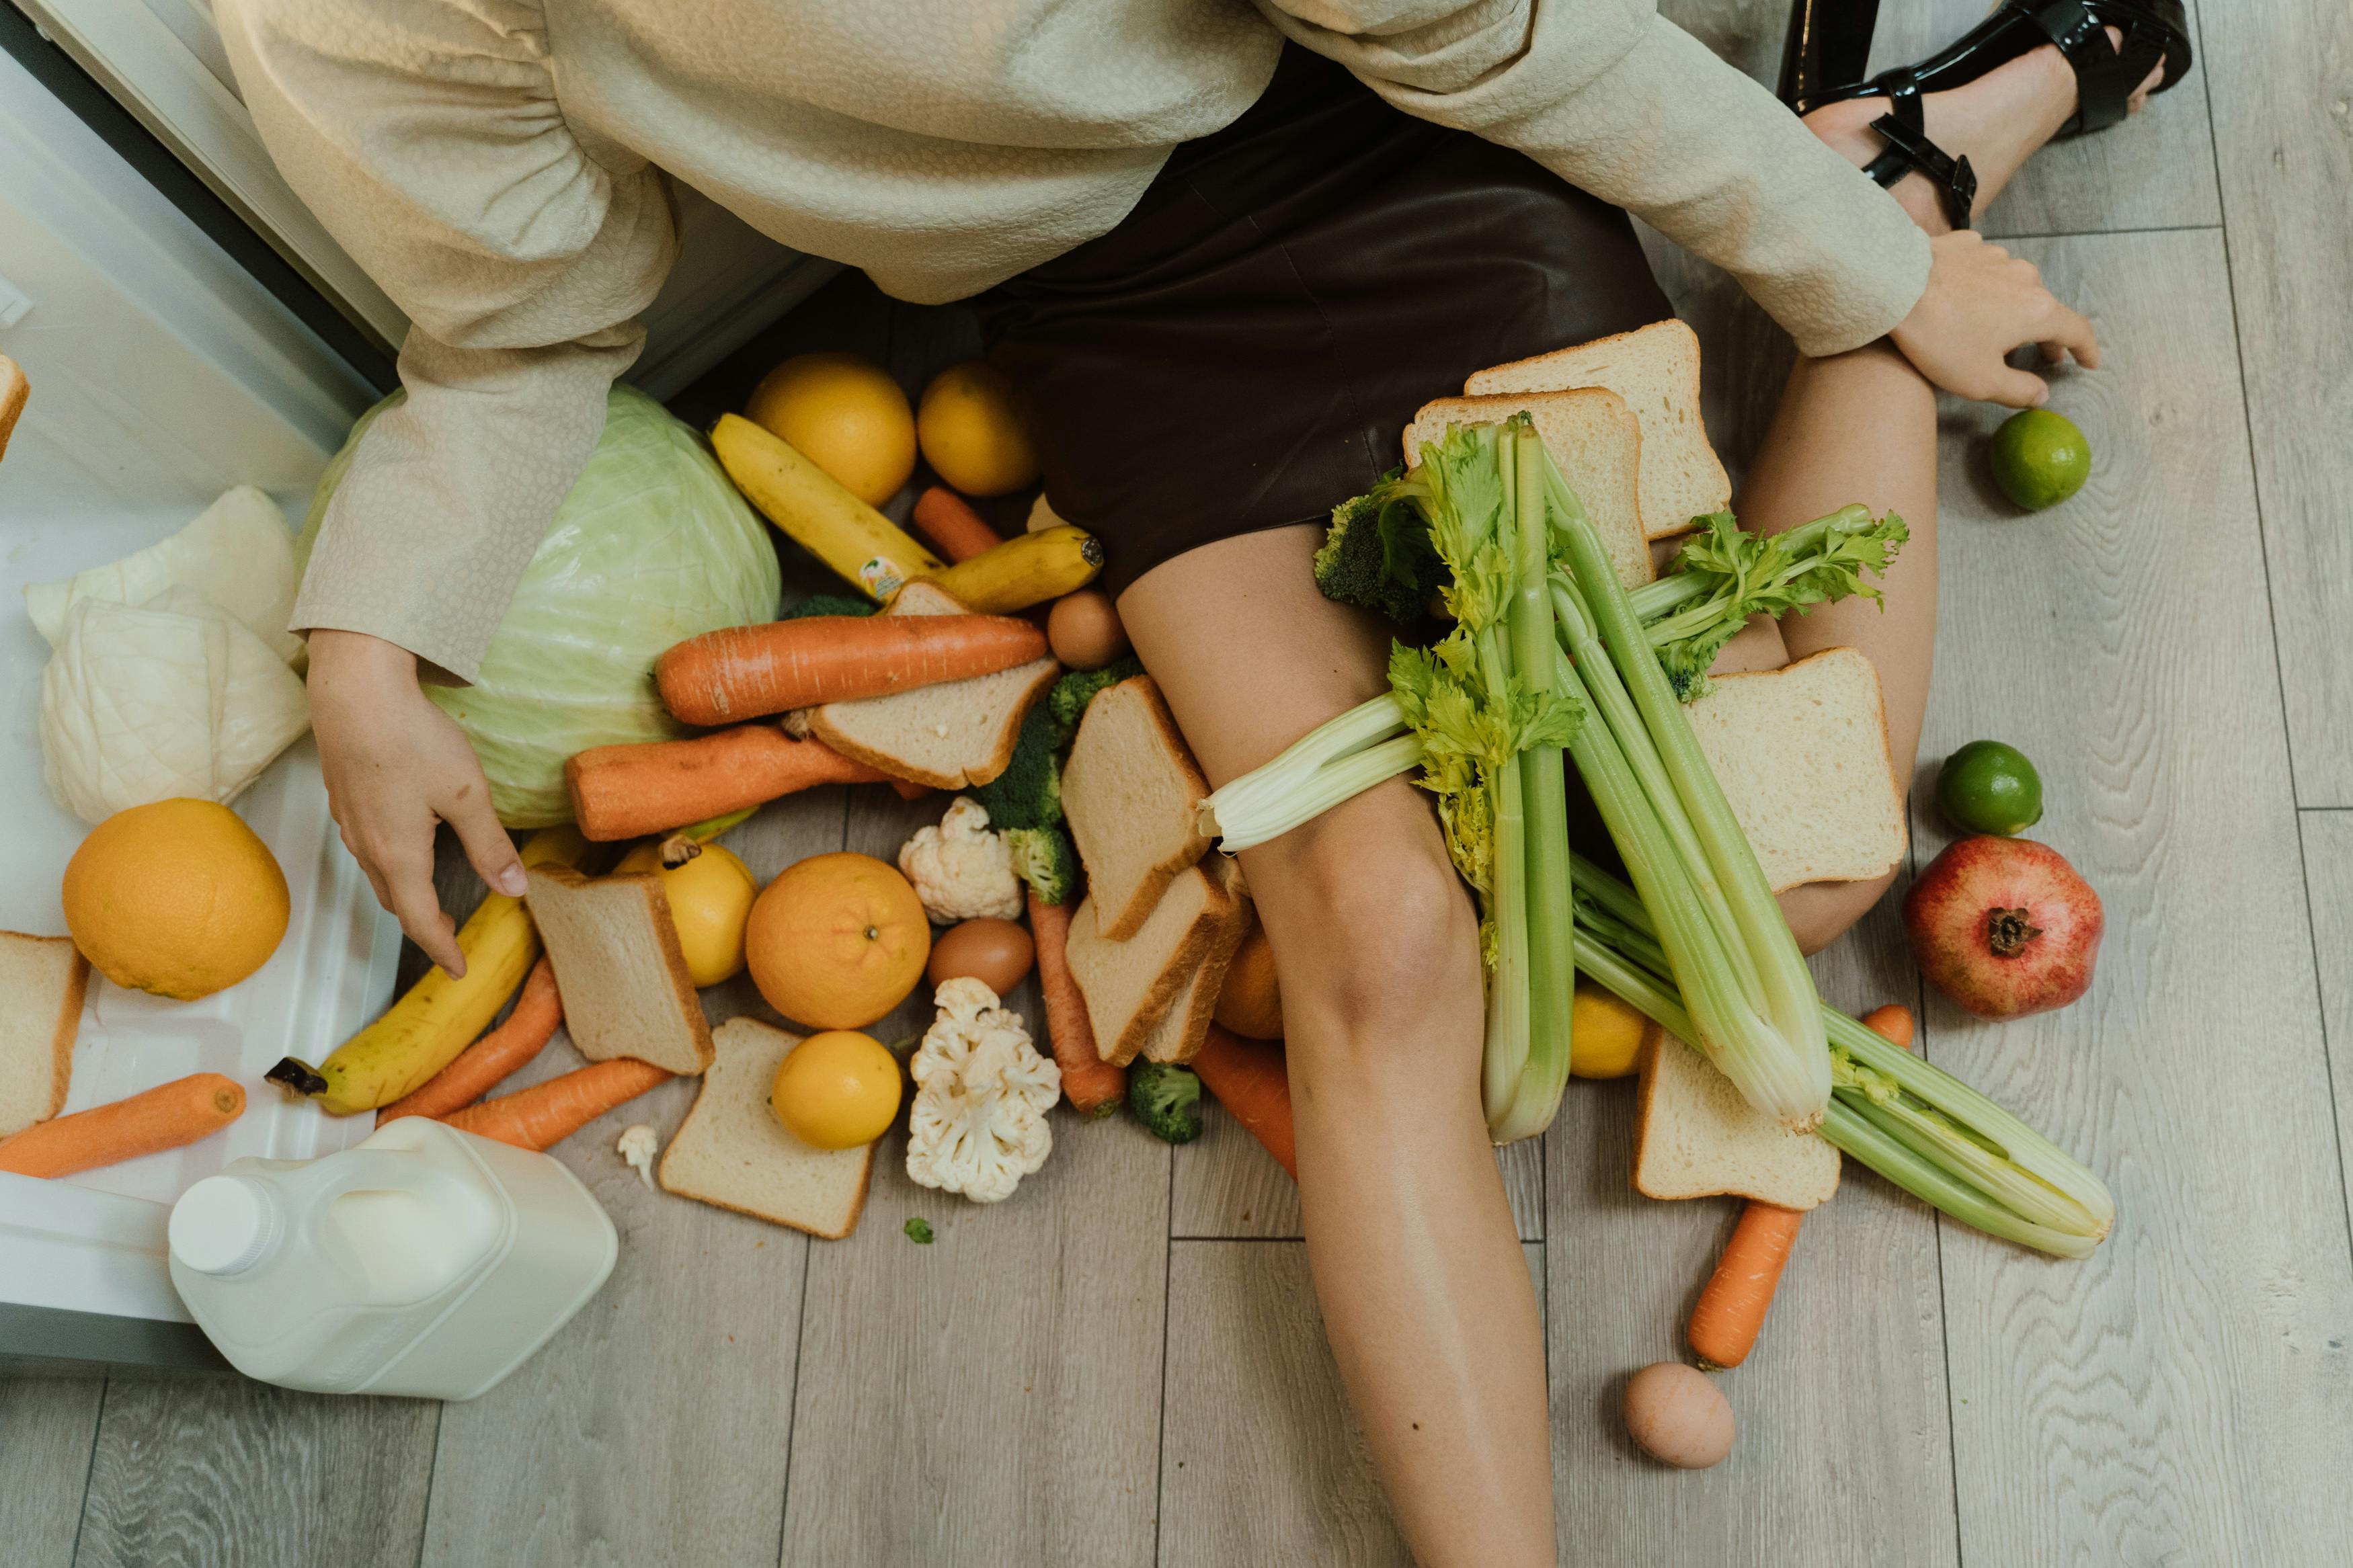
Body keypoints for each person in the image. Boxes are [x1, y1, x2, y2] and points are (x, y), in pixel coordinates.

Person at [216, 2, 2186, 1560]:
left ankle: (1897, 189)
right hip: (1117, 319)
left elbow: (1469, 33)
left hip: (1394, 132)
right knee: (1375, 937)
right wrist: (370, 644)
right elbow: (517, 324)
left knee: (1808, 888)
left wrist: (1845, 263)